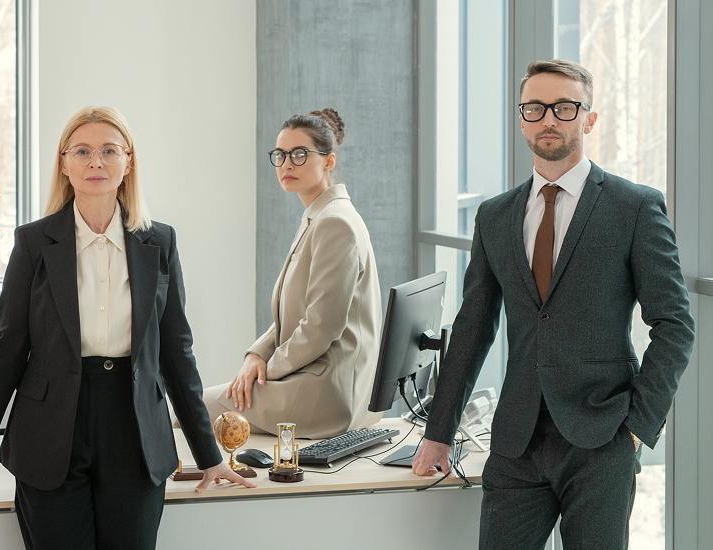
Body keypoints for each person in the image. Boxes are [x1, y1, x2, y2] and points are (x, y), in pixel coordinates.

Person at [0, 106, 255, 548]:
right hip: (51, 429)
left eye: (109, 151)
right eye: (82, 151)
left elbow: (176, 354)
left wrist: (210, 457)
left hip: (134, 430)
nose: (96, 162)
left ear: (128, 161)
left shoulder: (159, 241)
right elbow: (5, 355)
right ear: (64, 163)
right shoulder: (34, 242)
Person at [412, 60, 694, 548]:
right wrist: (440, 430)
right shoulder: (495, 215)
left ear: (588, 118)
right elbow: (475, 325)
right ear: (521, 120)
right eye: (535, 107)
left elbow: (674, 325)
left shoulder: (635, 207)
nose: (549, 119)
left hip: (601, 438)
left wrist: (636, 426)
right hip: (516, 441)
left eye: (564, 107)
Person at [201, 109, 382, 439]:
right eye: (281, 155)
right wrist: (257, 354)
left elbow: (320, 326)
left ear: (329, 161)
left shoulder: (334, 222)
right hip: (317, 377)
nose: (286, 164)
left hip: (325, 393)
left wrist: (265, 374)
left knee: (192, 409)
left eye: (299, 154)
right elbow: (296, 312)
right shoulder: (320, 214)